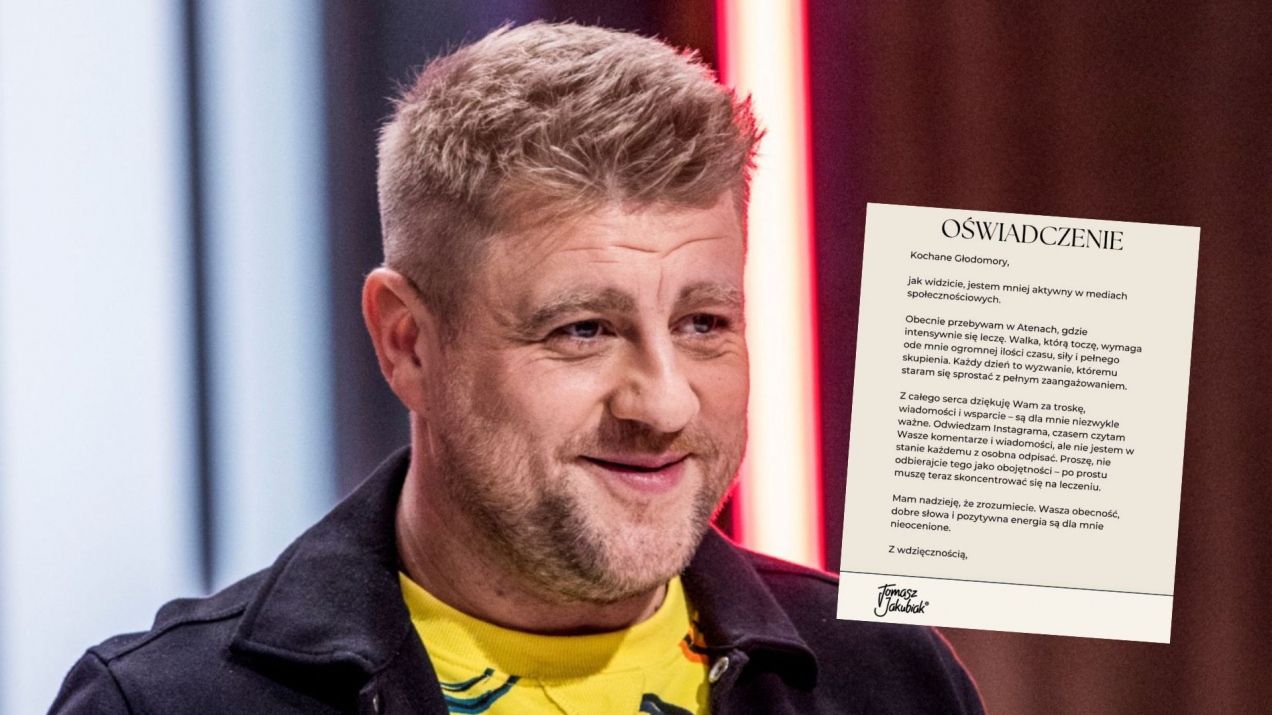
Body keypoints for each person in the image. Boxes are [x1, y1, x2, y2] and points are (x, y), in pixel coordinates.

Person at [50, 22, 983, 715]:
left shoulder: (891, 677)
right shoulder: (162, 702)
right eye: (582, 330)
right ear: (407, 342)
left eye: (704, 322)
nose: (663, 402)